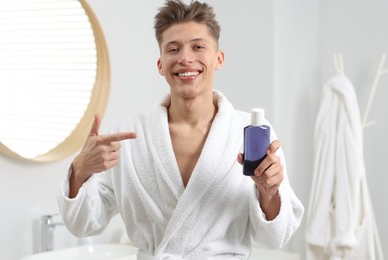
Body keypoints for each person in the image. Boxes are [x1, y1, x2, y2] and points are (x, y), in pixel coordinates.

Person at [57, 0, 304, 259]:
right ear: (161, 64)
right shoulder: (128, 134)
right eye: (173, 49)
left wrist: (269, 192)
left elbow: (277, 236)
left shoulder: (249, 132)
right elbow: (83, 223)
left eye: (198, 46)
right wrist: (79, 170)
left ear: (218, 59)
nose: (185, 58)